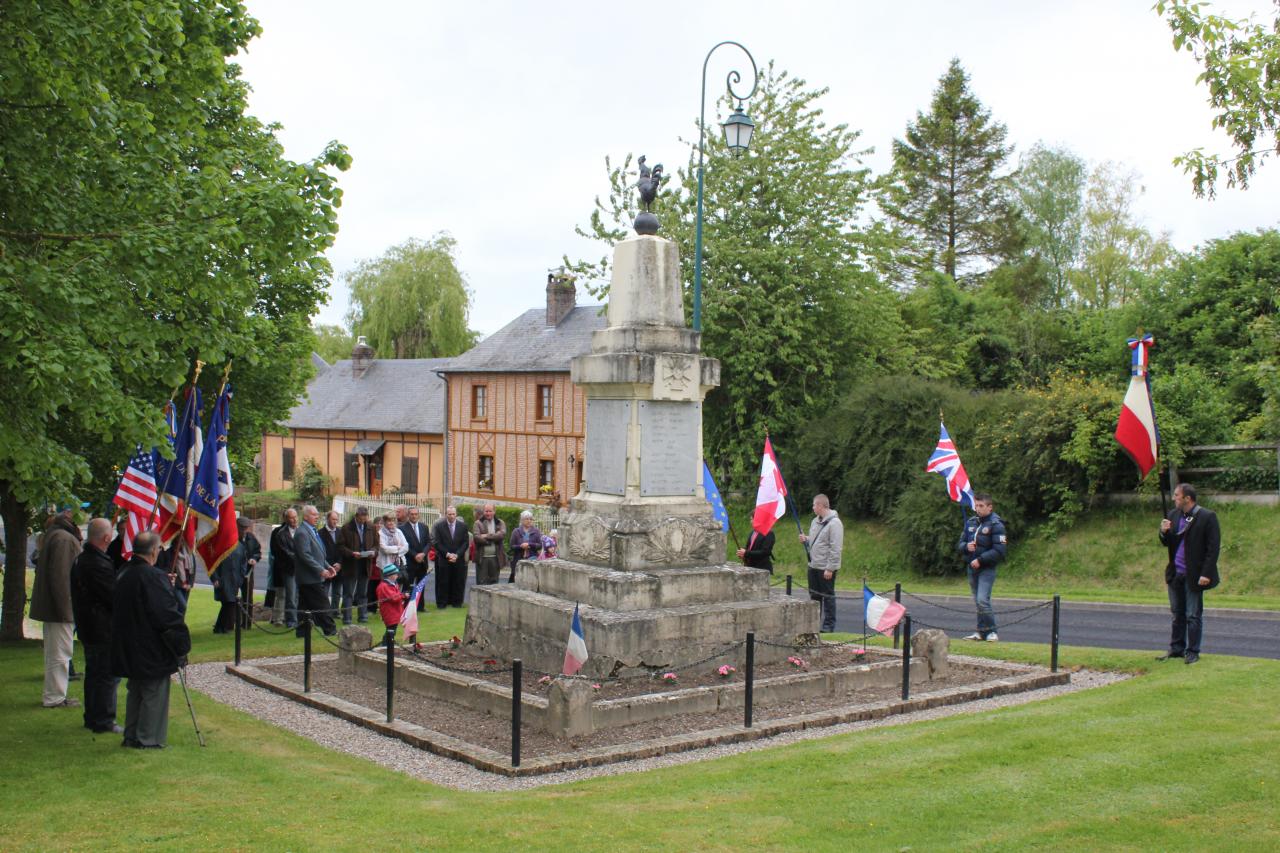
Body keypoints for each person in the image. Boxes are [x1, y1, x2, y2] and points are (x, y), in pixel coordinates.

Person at [111, 530, 190, 749]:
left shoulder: (124, 572)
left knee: (136, 690)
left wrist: (165, 582)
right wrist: (181, 644)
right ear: (154, 551)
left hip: (128, 640)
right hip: (150, 644)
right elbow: (166, 614)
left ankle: (132, 734)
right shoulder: (151, 577)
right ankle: (149, 738)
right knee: (154, 692)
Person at [1158, 483, 1221, 665]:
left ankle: (1192, 651)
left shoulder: (1207, 517)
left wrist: (1206, 573)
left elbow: (1213, 548)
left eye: (1177, 495)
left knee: (1193, 614)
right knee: (1177, 613)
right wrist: (1163, 532)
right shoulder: (1173, 515)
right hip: (1175, 573)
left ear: (1187, 498)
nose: (1173, 498)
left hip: (1194, 574)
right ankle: (1176, 648)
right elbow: (1167, 543)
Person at [70, 518, 120, 732]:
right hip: (100, 627)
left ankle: (92, 715)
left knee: (95, 674)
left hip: (89, 624)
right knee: (106, 675)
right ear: (107, 537)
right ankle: (103, 719)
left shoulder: (84, 559)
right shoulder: (97, 563)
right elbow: (111, 596)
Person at [30, 505, 81, 708]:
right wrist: (66, 608)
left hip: (56, 607)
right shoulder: (63, 539)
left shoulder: (56, 535)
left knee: (57, 652)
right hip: (59, 609)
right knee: (60, 653)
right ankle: (55, 697)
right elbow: (60, 577)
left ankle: (55, 695)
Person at [957, 493, 1007, 642]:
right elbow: (959, 544)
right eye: (976, 505)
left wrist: (980, 559)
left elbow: (1000, 551)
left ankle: (992, 632)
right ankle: (980, 632)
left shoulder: (996, 524)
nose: (977, 509)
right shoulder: (971, 522)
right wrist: (966, 546)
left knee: (982, 600)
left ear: (989, 507)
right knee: (977, 601)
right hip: (971, 569)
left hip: (987, 568)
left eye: (981, 506)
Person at [293, 505, 339, 637]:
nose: (317, 517)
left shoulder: (313, 530)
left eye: (317, 514)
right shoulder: (302, 532)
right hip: (309, 578)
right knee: (322, 603)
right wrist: (320, 570)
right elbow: (305, 555)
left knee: (304, 606)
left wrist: (327, 566)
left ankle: (302, 631)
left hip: (311, 577)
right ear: (306, 516)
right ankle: (330, 630)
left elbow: (318, 553)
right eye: (314, 515)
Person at [800, 494, 843, 633]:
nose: (813, 508)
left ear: (821, 505)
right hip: (813, 565)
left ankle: (828, 626)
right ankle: (814, 623)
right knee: (814, 596)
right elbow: (817, 540)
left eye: (814, 505)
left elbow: (835, 547)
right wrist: (806, 539)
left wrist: (830, 568)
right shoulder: (814, 521)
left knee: (828, 596)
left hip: (825, 567)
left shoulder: (835, 523)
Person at [213, 518, 256, 634]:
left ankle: (221, 627)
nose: (244, 531)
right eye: (242, 528)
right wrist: (215, 578)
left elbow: (243, 562)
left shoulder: (241, 546)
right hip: (224, 578)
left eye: (245, 528)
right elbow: (214, 564)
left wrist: (241, 577)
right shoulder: (222, 544)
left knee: (230, 602)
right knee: (228, 602)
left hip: (235, 578)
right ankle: (225, 627)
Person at [338, 506, 378, 623]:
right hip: (351, 565)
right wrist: (351, 553)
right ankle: (347, 618)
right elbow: (340, 546)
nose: (363, 520)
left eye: (365, 517)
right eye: (361, 518)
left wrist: (373, 552)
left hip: (365, 564)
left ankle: (362, 616)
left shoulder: (371, 527)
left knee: (363, 593)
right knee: (348, 593)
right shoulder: (346, 528)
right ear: (356, 516)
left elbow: (377, 544)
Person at [431, 505, 470, 608]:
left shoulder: (463, 526)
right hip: (444, 559)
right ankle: (442, 603)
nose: (452, 516)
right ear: (446, 515)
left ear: (456, 514)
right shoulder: (439, 526)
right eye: (449, 514)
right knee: (443, 582)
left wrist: (457, 554)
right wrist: (447, 554)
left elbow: (465, 543)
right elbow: (437, 543)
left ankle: (457, 603)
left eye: (453, 514)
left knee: (458, 581)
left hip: (458, 559)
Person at [268, 507, 299, 627]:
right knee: (285, 595)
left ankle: (293, 617)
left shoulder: (301, 531)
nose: (294, 520)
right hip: (286, 568)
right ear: (286, 519)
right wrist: (299, 558)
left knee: (295, 595)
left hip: (299, 569)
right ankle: (287, 620)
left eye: (295, 517)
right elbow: (281, 552)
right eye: (291, 517)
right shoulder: (280, 533)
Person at [400, 507, 431, 610]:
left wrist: (423, 553)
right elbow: (404, 545)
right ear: (408, 515)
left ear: (419, 515)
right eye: (412, 514)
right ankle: (406, 607)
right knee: (407, 585)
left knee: (421, 585)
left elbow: (428, 542)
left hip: (422, 561)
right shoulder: (402, 528)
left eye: (415, 514)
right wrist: (415, 555)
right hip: (410, 561)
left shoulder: (424, 527)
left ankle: (420, 606)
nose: (414, 516)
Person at [472, 504, 507, 585]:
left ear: (494, 512)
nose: (488, 513)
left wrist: (486, 536)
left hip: (496, 558)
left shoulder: (500, 522)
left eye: (490, 511)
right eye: (486, 511)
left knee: (494, 583)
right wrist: (493, 538)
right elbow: (476, 538)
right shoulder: (478, 523)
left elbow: (502, 535)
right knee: (481, 583)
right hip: (482, 558)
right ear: (483, 512)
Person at [375, 564, 408, 641]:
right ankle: (386, 645)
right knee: (390, 630)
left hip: (395, 611)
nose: (397, 575)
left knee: (393, 629)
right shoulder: (384, 586)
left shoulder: (393, 584)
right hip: (389, 612)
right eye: (395, 574)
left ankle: (389, 644)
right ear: (390, 575)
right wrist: (403, 595)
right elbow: (393, 598)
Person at [507, 511, 542, 583]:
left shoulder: (536, 531)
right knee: (517, 581)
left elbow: (540, 545)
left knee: (531, 580)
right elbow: (511, 546)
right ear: (522, 520)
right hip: (518, 559)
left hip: (533, 559)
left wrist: (530, 545)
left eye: (530, 519)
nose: (529, 521)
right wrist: (521, 546)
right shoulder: (516, 531)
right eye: (526, 519)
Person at [319, 510, 343, 614]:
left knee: (337, 592)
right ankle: (324, 611)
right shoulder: (320, 533)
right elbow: (319, 551)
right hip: (326, 567)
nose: (335, 521)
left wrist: (340, 563)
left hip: (338, 566)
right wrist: (327, 566)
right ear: (328, 519)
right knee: (324, 591)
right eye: (333, 519)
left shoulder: (340, 532)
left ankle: (335, 611)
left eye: (336, 519)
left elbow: (343, 549)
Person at [376, 513, 409, 579]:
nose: (391, 523)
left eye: (393, 521)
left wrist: (395, 551)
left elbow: (406, 547)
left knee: (398, 586)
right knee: (387, 586)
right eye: (389, 521)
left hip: (399, 563)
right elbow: (384, 549)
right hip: (385, 565)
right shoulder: (380, 533)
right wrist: (398, 547)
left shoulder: (398, 531)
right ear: (384, 522)